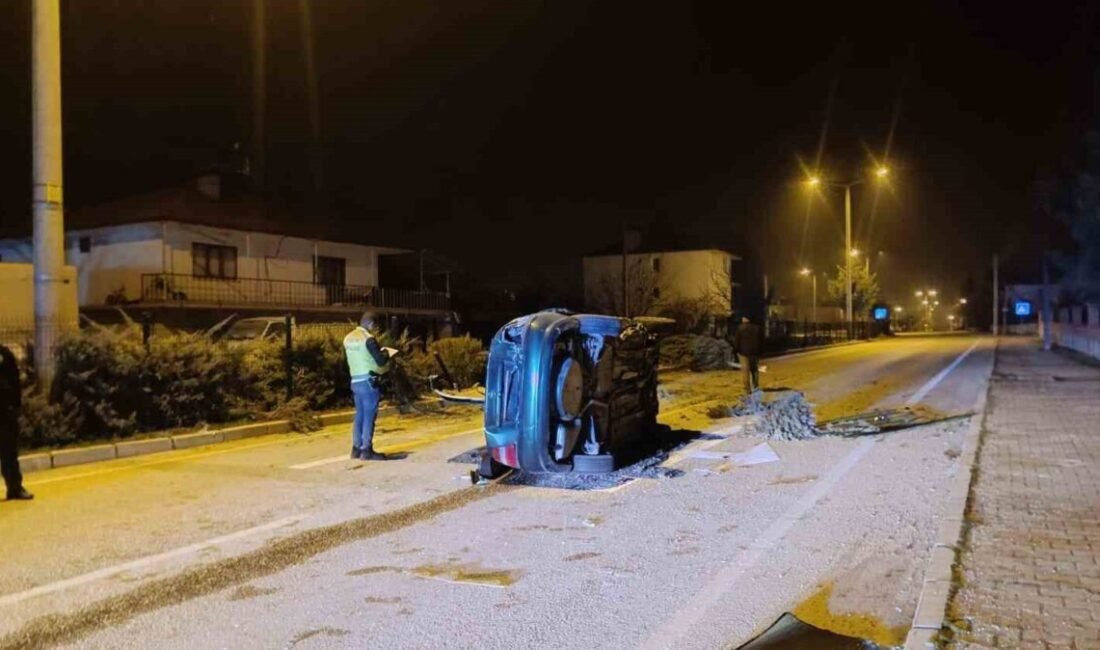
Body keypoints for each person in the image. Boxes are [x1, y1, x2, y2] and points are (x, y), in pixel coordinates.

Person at [343, 312, 398, 461]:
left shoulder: (348, 338)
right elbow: (380, 361)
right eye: (375, 326)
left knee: (359, 415)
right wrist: (387, 353)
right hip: (369, 381)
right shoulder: (368, 339)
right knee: (369, 416)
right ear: (371, 325)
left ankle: (356, 449)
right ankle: (367, 450)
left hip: (355, 381)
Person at [0, 344, 32, 501]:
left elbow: (14, 380)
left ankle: (15, 487)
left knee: (9, 452)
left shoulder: (4, 354)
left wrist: (16, 406)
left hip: (5, 412)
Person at [732, 315, 763, 394]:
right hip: (755, 353)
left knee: (745, 371)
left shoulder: (740, 328)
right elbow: (762, 341)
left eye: (743, 317)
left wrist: (736, 351)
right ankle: (756, 386)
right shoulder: (757, 328)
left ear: (746, 319)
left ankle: (747, 389)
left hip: (744, 353)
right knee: (755, 370)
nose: (742, 319)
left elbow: (737, 341)